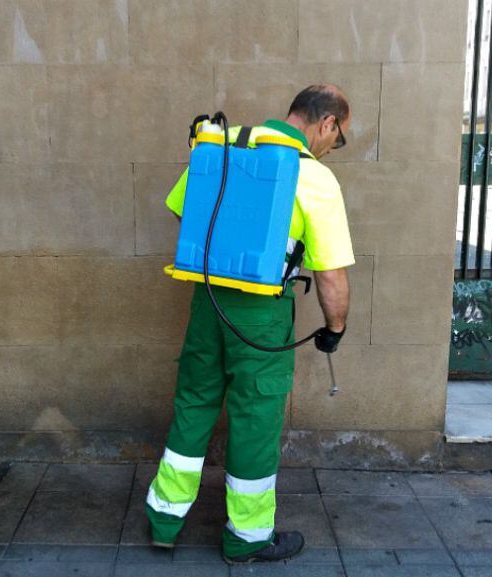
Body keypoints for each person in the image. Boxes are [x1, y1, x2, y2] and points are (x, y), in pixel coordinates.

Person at [146, 84, 356, 564]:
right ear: (327, 124)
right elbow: (330, 275)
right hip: (262, 316)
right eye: (337, 139)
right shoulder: (314, 178)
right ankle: (246, 537)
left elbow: (185, 211)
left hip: (208, 302)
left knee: (194, 403)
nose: (332, 148)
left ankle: (163, 519)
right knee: (254, 422)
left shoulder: (220, 144)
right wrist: (335, 328)